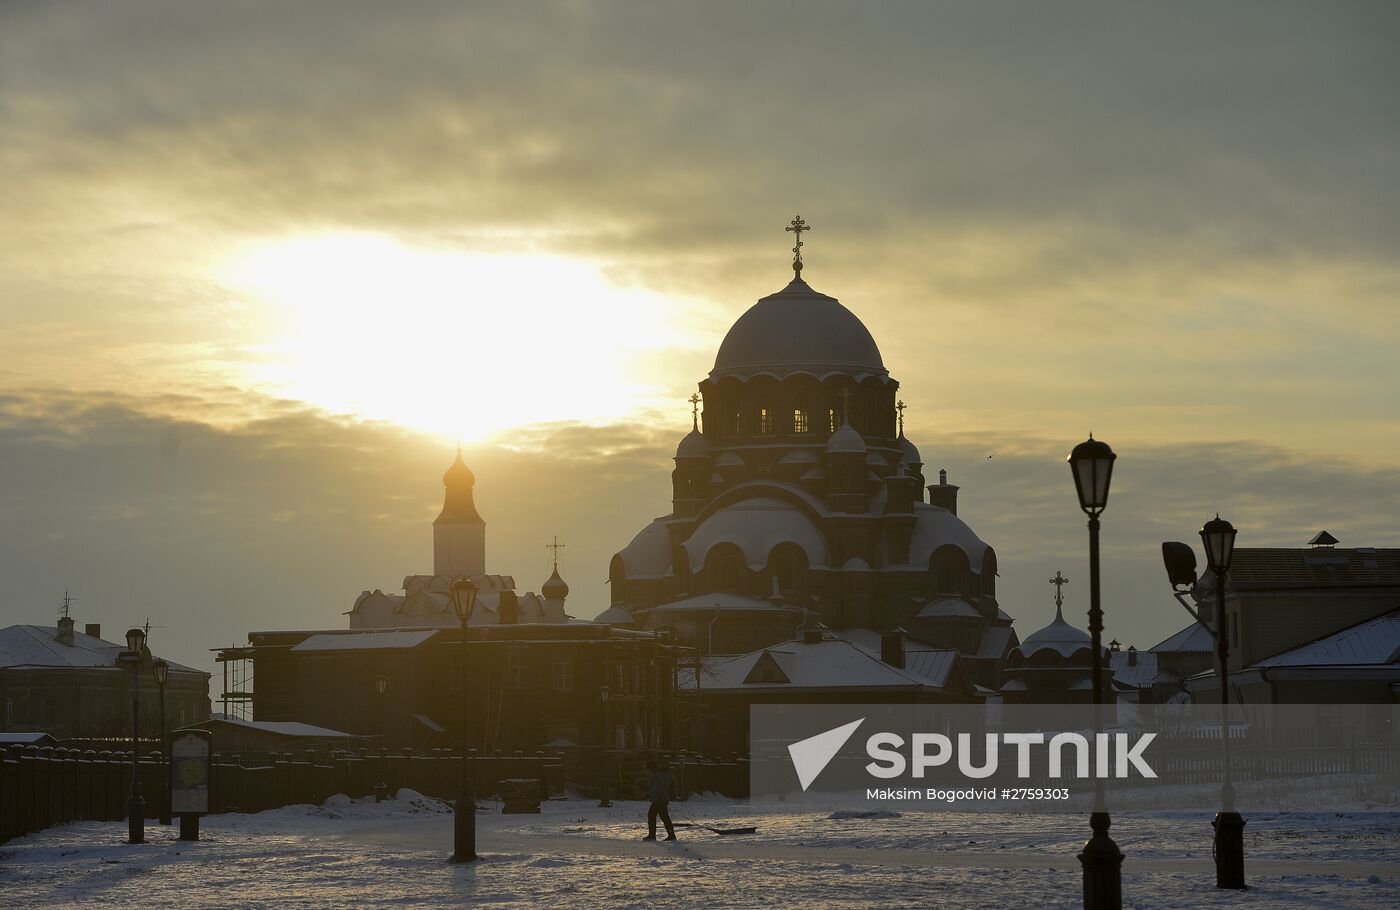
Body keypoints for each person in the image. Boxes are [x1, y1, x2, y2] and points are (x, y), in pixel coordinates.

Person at [643, 757, 676, 841]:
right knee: (661, 817)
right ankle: (670, 835)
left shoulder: (658, 775)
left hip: (659, 799)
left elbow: (657, 788)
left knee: (656, 816)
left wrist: (648, 794)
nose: (648, 771)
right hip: (660, 799)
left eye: (648, 768)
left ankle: (653, 835)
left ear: (651, 767)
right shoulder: (661, 774)